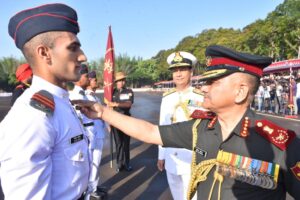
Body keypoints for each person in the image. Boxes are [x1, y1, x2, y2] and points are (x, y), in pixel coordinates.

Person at [73, 45, 300, 200]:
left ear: (240, 92)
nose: (203, 87)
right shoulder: (201, 127)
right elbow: (151, 131)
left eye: (213, 82)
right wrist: (103, 112)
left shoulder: (281, 145)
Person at [0, 4, 90, 199]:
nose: (83, 56)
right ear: (44, 53)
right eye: (73, 48)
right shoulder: (32, 117)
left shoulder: (59, 101)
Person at [157, 51, 203, 200]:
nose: (178, 74)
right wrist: (161, 155)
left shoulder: (199, 97)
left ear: (191, 71)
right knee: (177, 196)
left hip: (192, 157)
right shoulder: (167, 98)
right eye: (175, 70)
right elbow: (162, 127)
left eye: (182, 69)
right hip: (171, 156)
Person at [85, 70, 108, 199]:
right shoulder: (87, 97)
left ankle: (95, 185)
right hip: (92, 135)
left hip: (99, 133)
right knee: (93, 162)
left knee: (97, 162)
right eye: (94, 80)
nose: (96, 81)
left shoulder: (95, 97)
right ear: (89, 81)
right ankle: (91, 190)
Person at [108, 72, 134, 172]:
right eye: (119, 81)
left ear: (125, 81)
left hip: (126, 120)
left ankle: (127, 163)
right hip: (115, 121)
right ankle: (119, 164)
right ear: (116, 82)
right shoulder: (113, 92)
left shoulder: (129, 91)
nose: (121, 82)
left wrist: (115, 104)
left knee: (126, 143)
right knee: (118, 144)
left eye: (122, 80)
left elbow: (128, 105)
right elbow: (109, 106)